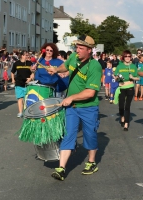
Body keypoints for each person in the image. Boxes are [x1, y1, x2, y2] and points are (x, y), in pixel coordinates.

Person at [47, 35, 102, 181]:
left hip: (88, 107)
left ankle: (91, 162)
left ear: (89, 50)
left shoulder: (95, 66)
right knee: (69, 134)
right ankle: (61, 168)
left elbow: (90, 92)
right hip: (72, 107)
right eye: (76, 47)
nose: (77, 50)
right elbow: (66, 66)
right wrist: (56, 70)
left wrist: (71, 97)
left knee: (90, 135)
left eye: (81, 48)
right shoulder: (73, 58)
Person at [114, 50, 139, 131]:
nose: (127, 58)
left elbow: (138, 77)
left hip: (130, 87)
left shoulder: (133, 66)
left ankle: (126, 123)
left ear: (131, 57)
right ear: (123, 57)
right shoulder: (119, 66)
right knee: (121, 106)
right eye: (126, 56)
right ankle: (122, 116)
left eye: (129, 56)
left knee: (127, 106)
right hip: (122, 87)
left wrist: (133, 78)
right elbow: (115, 76)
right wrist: (116, 77)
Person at [11, 51, 32, 117]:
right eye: (26, 55)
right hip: (19, 83)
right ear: (22, 56)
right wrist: (13, 79)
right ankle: (20, 112)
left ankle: (26, 112)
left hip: (27, 83)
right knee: (20, 98)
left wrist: (30, 79)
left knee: (26, 99)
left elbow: (33, 72)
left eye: (28, 55)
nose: (27, 56)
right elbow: (12, 72)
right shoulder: (16, 63)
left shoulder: (29, 63)